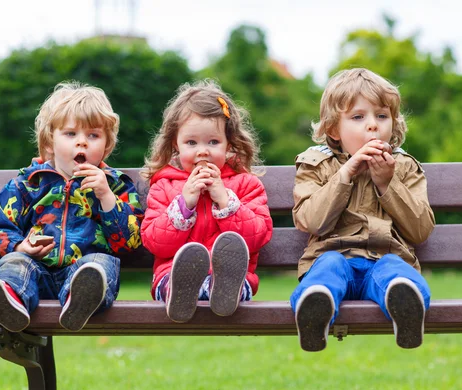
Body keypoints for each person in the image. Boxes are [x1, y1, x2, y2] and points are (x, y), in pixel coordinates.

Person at [0, 81, 144, 332]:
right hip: (35, 276)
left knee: (98, 264)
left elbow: (131, 242)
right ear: (50, 142)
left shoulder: (116, 186)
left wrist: (106, 197)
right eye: (70, 134)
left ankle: (79, 302)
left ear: (106, 145)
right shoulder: (27, 185)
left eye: (93, 135)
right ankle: (9, 302)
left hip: (83, 274)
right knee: (16, 262)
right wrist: (20, 246)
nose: (82, 142)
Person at [290, 68, 435, 351]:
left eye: (382, 116)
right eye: (358, 117)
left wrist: (387, 184)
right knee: (328, 269)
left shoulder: (404, 167)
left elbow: (420, 230)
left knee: (398, 272)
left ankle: (406, 310)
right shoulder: (316, 164)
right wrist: (344, 176)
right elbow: (310, 221)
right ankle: (315, 311)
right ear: (333, 128)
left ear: (393, 123)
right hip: (332, 256)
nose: (373, 125)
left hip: (385, 259)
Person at [141, 80, 273, 323]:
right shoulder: (164, 187)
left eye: (213, 142)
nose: (203, 151)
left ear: (229, 144)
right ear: (176, 146)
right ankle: (182, 293)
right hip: (171, 276)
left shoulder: (246, 185)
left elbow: (258, 237)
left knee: (230, 284)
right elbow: (154, 242)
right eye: (191, 143)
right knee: (173, 282)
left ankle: (221, 290)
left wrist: (225, 200)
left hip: (232, 280)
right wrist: (184, 204)